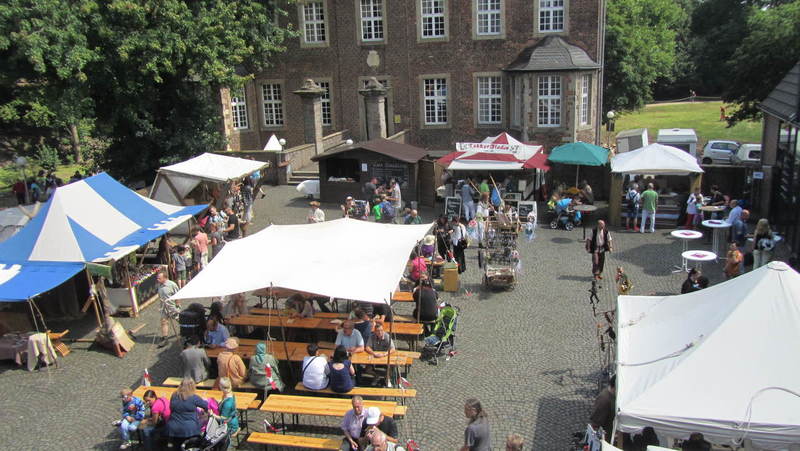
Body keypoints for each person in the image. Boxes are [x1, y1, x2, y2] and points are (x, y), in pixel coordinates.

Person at [167, 379, 209, 448]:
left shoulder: (174, 395)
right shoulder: (194, 397)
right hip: (189, 430)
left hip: (173, 429)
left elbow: (171, 409)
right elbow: (205, 406)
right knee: (204, 417)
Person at [213, 377, 240, 449]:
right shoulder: (229, 394)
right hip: (232, 421)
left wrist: (212, 414)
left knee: (214, 432)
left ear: (221, 387)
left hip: (230, 427)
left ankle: (225, 447)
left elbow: (223, 418)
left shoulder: (228, 403)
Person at [156, 271, 180, 348]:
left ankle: (187, 331)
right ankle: (165, 338)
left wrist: (177, 305)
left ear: (165, 278)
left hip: (172, 307)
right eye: (157, 278)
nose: (157, 279)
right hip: (163, 307)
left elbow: (177, 295)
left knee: (179, 320)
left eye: (159, 278)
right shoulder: (159, 285)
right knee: (164, 322)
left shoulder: (172, 285)